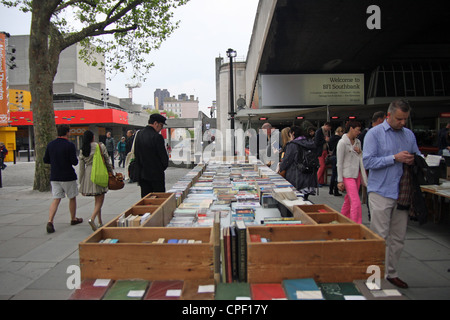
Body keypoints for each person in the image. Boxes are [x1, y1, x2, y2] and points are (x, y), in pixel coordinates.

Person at [363, 98, 421, 289]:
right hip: (380, 191)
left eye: (405, 119)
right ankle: (374, 276)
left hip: (402, 193)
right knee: (379, 236)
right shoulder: (374, 134)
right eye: (399, 119)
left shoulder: (409, 135)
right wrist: (394, 158)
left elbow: (418, 156)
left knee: (398, 237)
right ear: (388, 116)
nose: (402, 123)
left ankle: (391, 272)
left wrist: (414, 160)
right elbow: (368, 162)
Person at [43, 125, 81, 233]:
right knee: (72, 197)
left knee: (56, 198)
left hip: (55, 176)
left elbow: (46, 159)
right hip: (68, 176)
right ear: (67, 133)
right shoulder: (70, 145)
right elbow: (74, 162)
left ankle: (50, 221)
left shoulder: (51, 144)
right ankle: (73, 218)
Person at [79, 130, 114, 231]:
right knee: (100, 199)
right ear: (93, 137)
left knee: (97, 200)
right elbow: (107, 160)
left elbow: (81, 167)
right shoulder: (100, 146)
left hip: (88, 174)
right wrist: (110, 171)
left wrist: (81, 182)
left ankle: (100, 221)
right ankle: (92, 218)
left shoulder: (83, 149)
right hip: (99, 172)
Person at [336, 121, 367, 224]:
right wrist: (340, 180)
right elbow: (339, 163)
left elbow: (360, 158)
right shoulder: (342, 143)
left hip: (356, 174)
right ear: (351, 129)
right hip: (347, 175)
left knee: (349, 200)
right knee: (356, 202)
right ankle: (356, 224)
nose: (359, 132)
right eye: (357, 130)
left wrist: (360, 153)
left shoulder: (358, 142)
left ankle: (342, 220)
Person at [134, 114, 169, 198]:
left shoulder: (139, 135)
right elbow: (164, 159)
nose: (161, 128)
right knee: (158, 201)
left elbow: (136, 154)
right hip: (156, 177)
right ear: (156, 123)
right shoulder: (157, 137)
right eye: (161, 125)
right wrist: (160, 168)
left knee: (146, 201)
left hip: (143, 176)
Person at [279, 125, 318, 201]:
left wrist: (281, 169)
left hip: (297, 176)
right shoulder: (310, 142)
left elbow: (287, 160)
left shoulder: (293, 144)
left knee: (296, 200)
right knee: (304, 199)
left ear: (292, 133)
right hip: (310, 177)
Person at [328, 126, 344, 196]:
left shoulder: (331, 138)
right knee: (337, 174)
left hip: (332, 157)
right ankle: (336, 191)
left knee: (333, 174)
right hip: (337, 156)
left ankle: (331, 189)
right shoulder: (340, 140)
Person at [314, 122, 331, 186]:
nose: (329, 129)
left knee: (324, 167)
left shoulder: (326, 132)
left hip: (324, 150)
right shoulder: (319, 132)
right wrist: (325, 140)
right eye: (328, 127)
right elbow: (317, 142)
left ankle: (321, 181)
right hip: (320, 151)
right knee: (322, 166)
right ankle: (316, 181)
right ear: (326, 125)